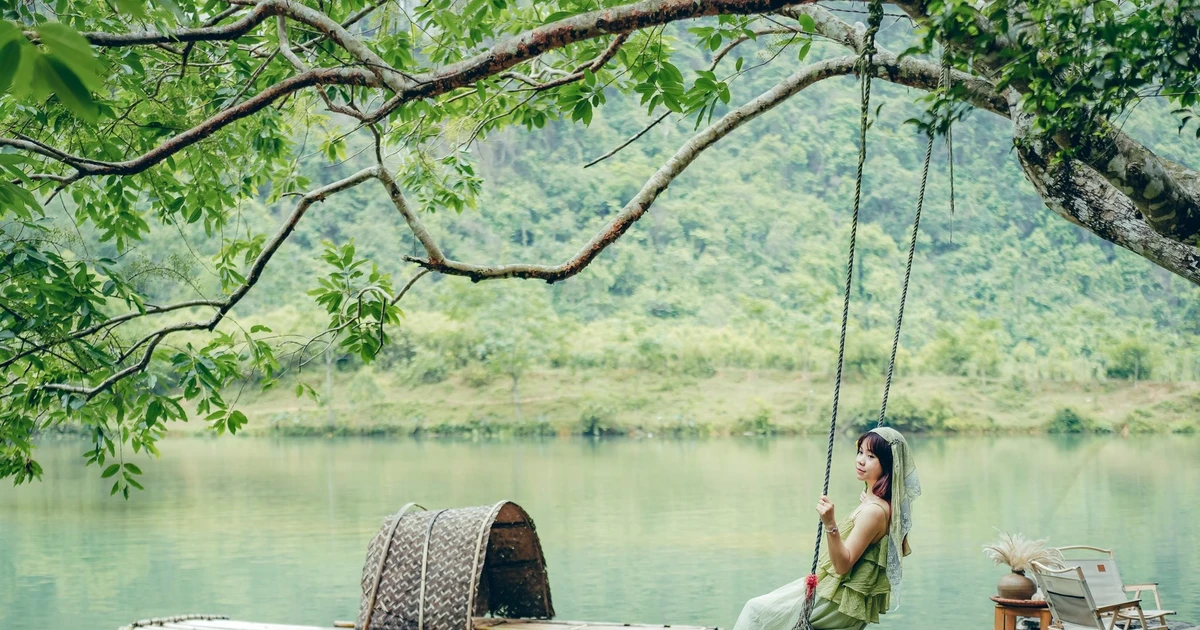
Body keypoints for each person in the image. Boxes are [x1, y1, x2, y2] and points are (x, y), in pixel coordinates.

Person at [731, 427, 921, 630]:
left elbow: (842, 565)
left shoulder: (874, 511)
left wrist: (830, 524)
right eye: (860, 452)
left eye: (871, 456)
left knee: (755, 611)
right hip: (834, 592)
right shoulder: (874, 502)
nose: (860, 460)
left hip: (838, 602)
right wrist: (866, 501)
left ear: (888, 464)